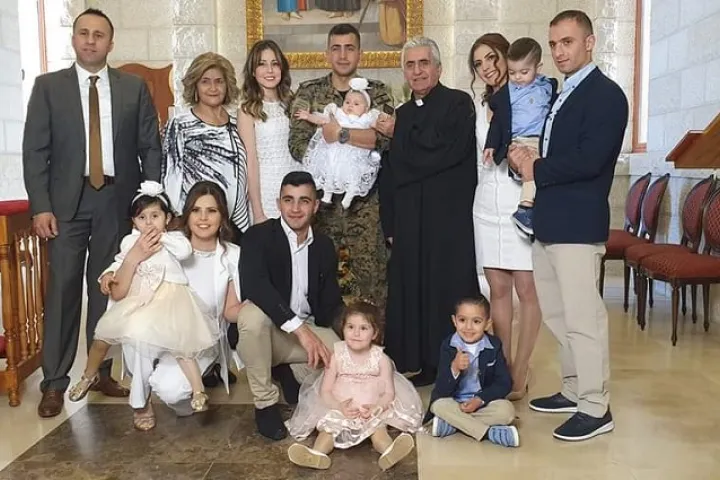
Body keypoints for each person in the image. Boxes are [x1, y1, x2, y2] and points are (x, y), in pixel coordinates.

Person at [22, 8, 162, 418]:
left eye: (98, 35)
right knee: (63, 290)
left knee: (108, 288)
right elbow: (35, 152)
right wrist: (41, 206)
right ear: (74, 39)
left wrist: (149, 202)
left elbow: (150, 146)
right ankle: (54, 382)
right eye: (83, 33)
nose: (90, 40)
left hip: (116, 201)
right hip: (66, 204)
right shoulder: (49, 87)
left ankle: (99, 371)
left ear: (110, 44)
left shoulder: (133, 88)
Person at [508, 10, 629, 442]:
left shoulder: (606, 95)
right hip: (550, 221)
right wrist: (525, 162)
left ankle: (596, 407)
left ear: (589, 42)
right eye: (554, 44)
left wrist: (536, 167)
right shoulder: (563, 92)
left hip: (578, 223)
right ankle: (575, 389)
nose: (560, 51)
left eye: (568, 42)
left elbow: (590, 160)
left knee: (583, 318)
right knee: (559, 315)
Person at [67, 181, 222, 413]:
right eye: (142, 218)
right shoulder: (130, 241)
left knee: (182, 348)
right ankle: (88, 376)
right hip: (140, 299)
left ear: (167, 218)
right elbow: (119, 262)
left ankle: (198, 390)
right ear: (133, 222)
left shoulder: (174, 239)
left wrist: (162, 237)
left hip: (170, 299)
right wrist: (107, 274)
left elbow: (185, 252)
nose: (149, 223)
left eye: (155, 216)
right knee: (102, 337)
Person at [383, 37, 479, 387]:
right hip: (411, 220)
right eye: (410, 65)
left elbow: (448, 155)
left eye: (424, 63)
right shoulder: (403, 114)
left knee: (446, 289)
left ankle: (453, 363)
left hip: (449, 218)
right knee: (415, 289)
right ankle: (423, 362)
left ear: (438, 68)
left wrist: (407, 151)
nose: (418, 71)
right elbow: (392, 171)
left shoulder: (458, 104)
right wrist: (390, 223)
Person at [120, 181, 244, 430]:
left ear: (222, 216)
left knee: (170, 389)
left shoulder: (233, 255)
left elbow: (233, 309)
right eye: (196, 210)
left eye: (212, 211)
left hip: (200, 338)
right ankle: (141, 399)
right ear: (186, 215)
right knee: (132, 321)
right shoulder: (169, 247)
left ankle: (192, 389)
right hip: (159, 329)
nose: (203, 218)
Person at [289, 23, 393, 305]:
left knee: (373, 287)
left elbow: (385, 142)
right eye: (336, 48)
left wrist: (340, 135)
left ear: (360, 54)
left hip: (365, 208)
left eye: (350, 48)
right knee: (321, 286)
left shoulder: (378, 93)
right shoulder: (309, 92)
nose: (343, 55)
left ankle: (376, 335)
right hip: (322, 210)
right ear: (327, 54)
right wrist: (351, 146)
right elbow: (298, 143)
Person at [238, 171, 344, 441]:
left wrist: (356, 330)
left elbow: (331, 303)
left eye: (303, 201)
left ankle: (289, 372)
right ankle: (265, 404)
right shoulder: (257, 236)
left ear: (315, 205)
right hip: (268, 332)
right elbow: (256, 286)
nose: (295, 209)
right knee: (250, 316)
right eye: (289, 200)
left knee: (349, 363)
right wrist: (300, 330)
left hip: (306, 329)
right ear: (279, 203)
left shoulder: (324, 245)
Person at [469, 33, 543, 400]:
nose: (486, 67)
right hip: (486, 201)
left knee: (527, 289)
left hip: (520, 197)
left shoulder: (530, 96)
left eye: (491, 57)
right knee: (497, 288)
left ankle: (520, 369)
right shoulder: (478, 103)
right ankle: (502, 364)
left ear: (506, 55)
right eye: (478, 63)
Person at [286, 301, 422, 471]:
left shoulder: (381, 359)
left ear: (375, 333)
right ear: (343, 329)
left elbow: (389, 393)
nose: (356, 333)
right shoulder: (337, 356)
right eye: (350, 327)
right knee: (328, 431)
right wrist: (338, 406)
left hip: (369, 407)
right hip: (341, 406)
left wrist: (377, 407)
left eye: (364, 328)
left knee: (378, 431)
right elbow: (325, 390)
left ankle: (389, 451)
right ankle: (316, 454)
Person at [162, 52, 249, 241]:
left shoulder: (238, 124)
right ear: (195, 85)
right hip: (195, 224)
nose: (213, 88)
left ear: (227, 85)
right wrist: (175, 217)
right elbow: (171, 176)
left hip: (235, 225)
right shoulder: (180, 124)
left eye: (219, 81)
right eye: (205, 82)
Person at [484, 37, 557, 237]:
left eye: (524, 72)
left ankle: (537, 210)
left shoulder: (547, 86)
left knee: (545, 172)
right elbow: (498, 121)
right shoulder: (507, 93)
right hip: (520, 139)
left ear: (538, 67)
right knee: (530, 167)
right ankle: (525, 208)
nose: (517, 77)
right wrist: (491, 145)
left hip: (543, 140)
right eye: (512, 72)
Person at [424, 296, 519, 447]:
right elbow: (441, 388)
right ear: (454, 321)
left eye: (476, 321)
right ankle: (488, 433)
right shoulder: (448, 346)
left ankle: (453, 424)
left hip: (482, 404)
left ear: (487, 324)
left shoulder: (494, 345)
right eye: (462, 320)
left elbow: (504, 383)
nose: (468, 327)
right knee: (438, 405)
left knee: (507, 411)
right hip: (454, 403)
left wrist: (479, 400)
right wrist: (454, 368)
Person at [296, 77, 383, 209]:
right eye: (347, 102)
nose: (350, 106)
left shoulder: (367, 118)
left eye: (356, 104)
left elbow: (380, 128)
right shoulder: (338, 114)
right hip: (336, 151)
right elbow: (323, 120)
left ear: (366, 108)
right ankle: (327, 194)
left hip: (355, 153)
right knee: (330, 169)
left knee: (354, 174)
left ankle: (349, 196)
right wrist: (308, 116)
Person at [238, 40, 297, 223]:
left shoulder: (293, 102)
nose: (269, 70)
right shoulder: (247, 110)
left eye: (275, 63)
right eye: (262, 64)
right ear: (253, 71)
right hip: (267, 192)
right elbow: (251, 162)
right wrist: (258, 212)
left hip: (296, 187)